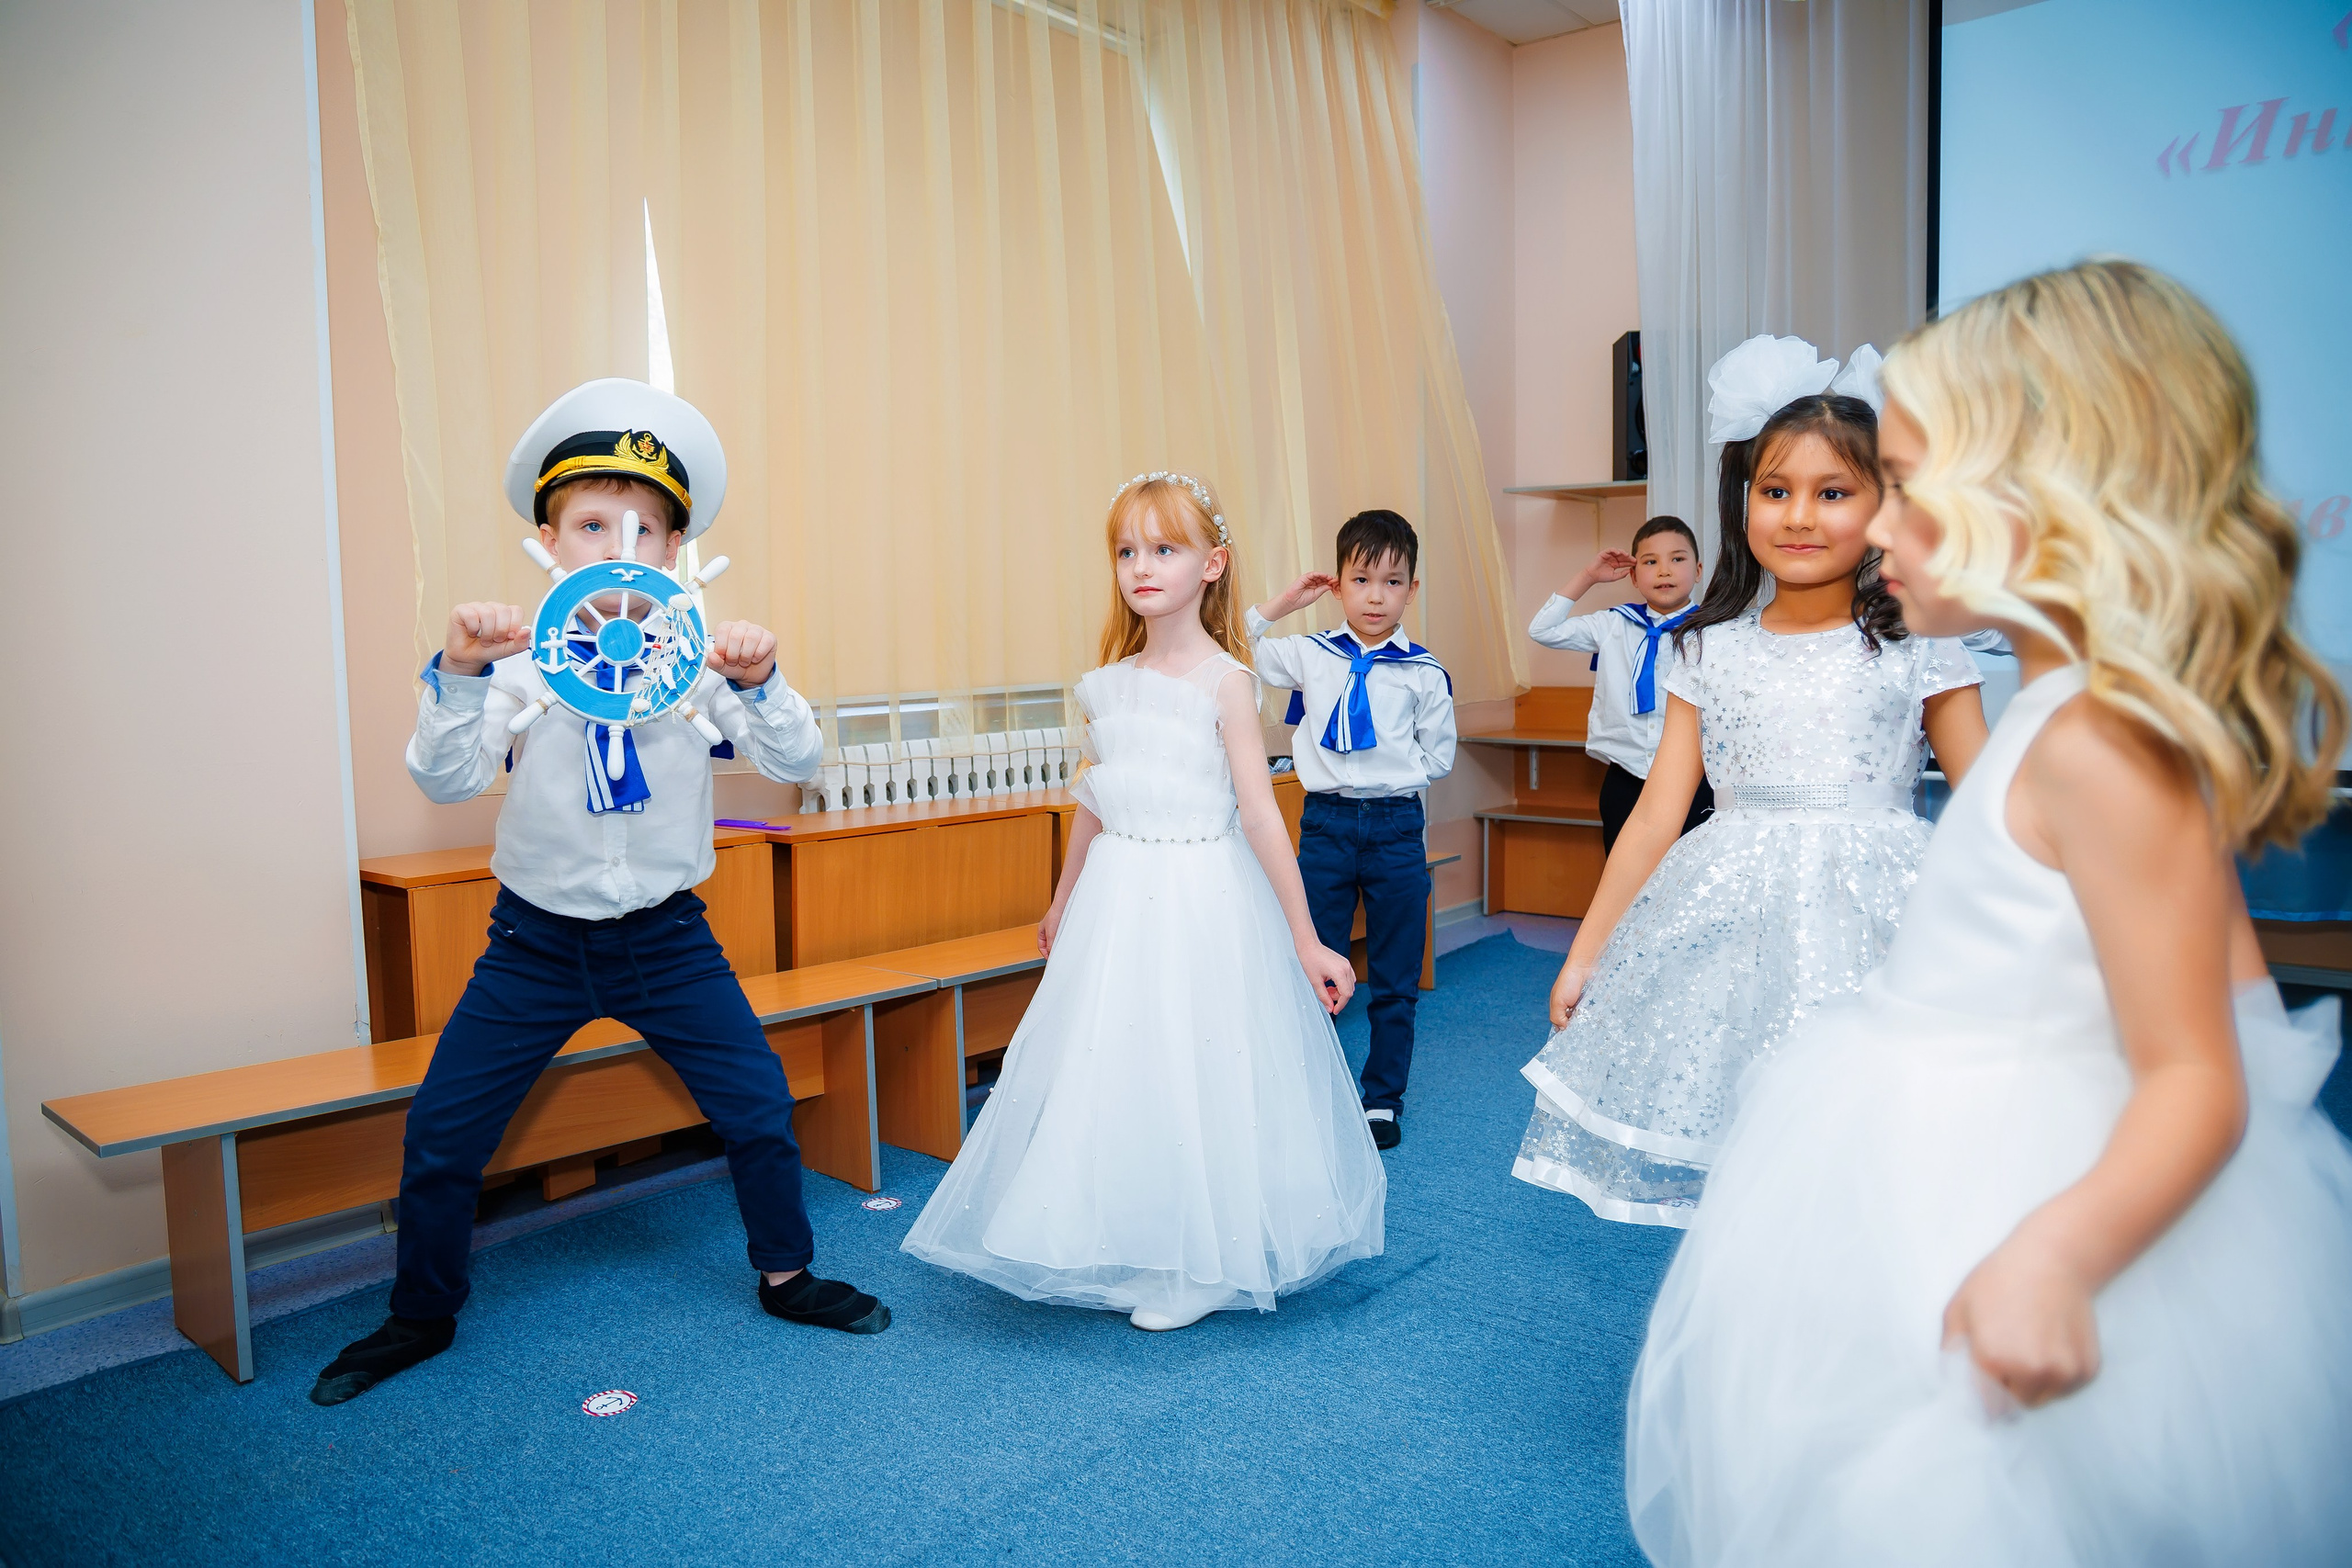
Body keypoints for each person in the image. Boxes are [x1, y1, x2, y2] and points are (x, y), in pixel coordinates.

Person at [1624, 259, 2352, 1567]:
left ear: (2044, 497)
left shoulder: (2101, 744)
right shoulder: (2065, 713)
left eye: (1904, 483)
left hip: (2015, 1185)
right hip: (1909, 1154)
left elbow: (2206, 1060)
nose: (1874, 524)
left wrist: (2059, 1256)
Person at [311, 380, 888, 1407]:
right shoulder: (520, 665)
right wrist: (453, 671)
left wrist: (760, 681)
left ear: (673, 552)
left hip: (669, 939)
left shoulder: (694, 665)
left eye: (645, 527)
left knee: (756, 1106)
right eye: (591, 523)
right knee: (443, 1132)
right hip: (532, 942)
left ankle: (787, 1274)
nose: (617, 540)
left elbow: (797, 758)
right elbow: (443, 779)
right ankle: (420, 1311)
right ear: (549, 541)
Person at [1510, 337, 1989, 1226]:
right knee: (1757, 1154)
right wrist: (1587, 952)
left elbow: (1991, 804)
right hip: (1734, 926)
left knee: (1877, 1152)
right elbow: (1656, 816)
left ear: (1883, 505)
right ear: (1743, 502)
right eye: (1776, 491)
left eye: (1832, 492)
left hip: (1878, 923)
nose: (1799, 516)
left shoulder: (1918, 640)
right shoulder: (1709, 645)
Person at [901, 472, 1384, 1332]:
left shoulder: (1227, 680)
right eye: (1128, 550)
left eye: (1164, 548)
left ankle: (1205, 1257)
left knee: (1195, 1063)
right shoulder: (1109, 681)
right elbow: (1095, 797)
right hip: (1119, 897)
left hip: (1199, 890)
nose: (1141, 566)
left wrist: (1307, 938)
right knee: (1115, 1064)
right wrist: (1062, 898)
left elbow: (1262, 811)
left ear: (1212, 563)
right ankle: (1137, 1233)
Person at [1248, 512, 1457, 1150]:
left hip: (1396, 827)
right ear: (1336, 584)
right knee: (1315, 965)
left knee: (1395, 975)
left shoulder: (1424, 672)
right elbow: (1233, 644)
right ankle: (1315, 1091)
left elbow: (1440, 755)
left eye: (1391, 582)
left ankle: (1381, 1100)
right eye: (1360, 579)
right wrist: (1283, 603)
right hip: (1327, 827)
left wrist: (1386, 780)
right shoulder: (1310, 654)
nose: (1375, 595)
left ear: (1411, 590)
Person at [1527, 516, 1716, 852]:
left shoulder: (1715, 632)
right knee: (1622, 874)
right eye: (1650, 561)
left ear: (1698, 570)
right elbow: (1543, 630)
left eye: (1677, 559)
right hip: (1625, 773)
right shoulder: (1612, 624)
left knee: (1687, 879)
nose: (1664, 570)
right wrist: (1588, 577)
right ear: (1632, 575)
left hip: (1692, 777)